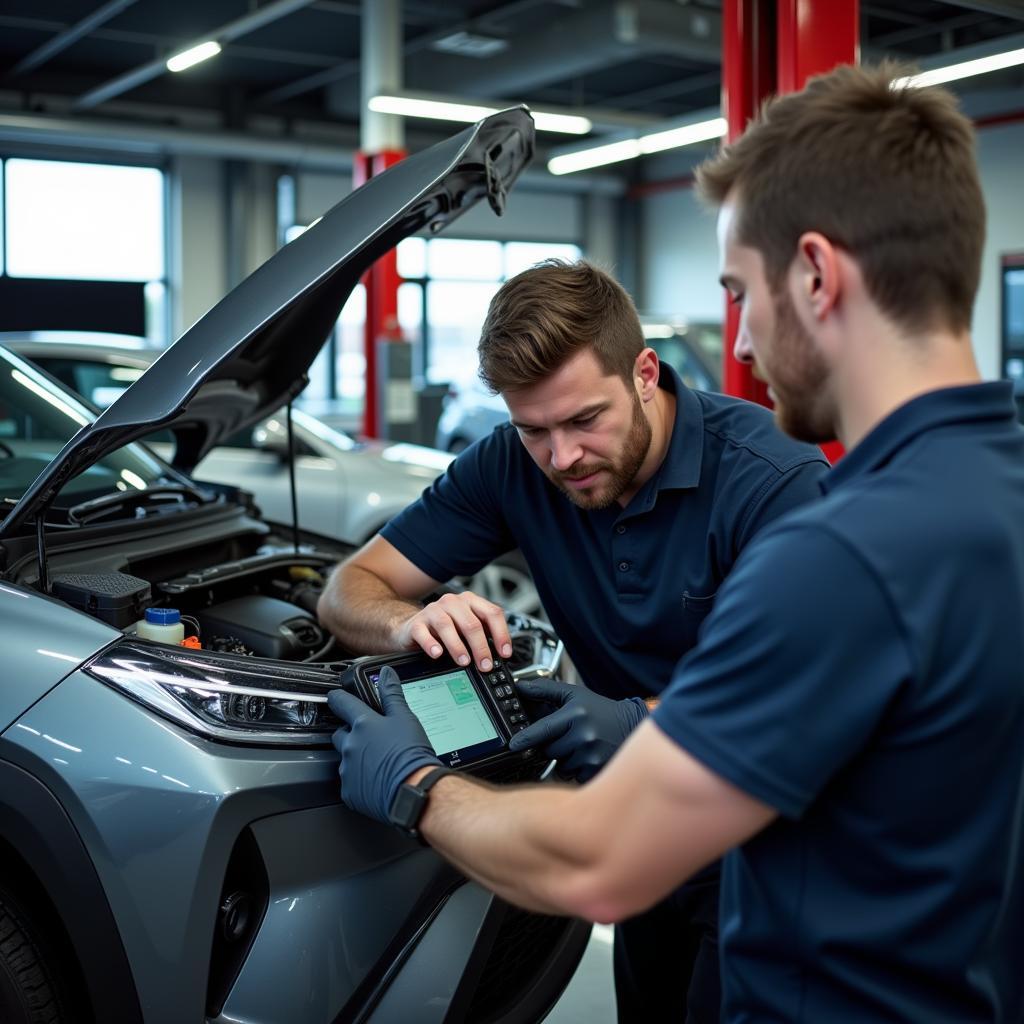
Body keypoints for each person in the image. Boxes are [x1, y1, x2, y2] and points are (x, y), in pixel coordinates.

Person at [326, 62, 1024, 1023]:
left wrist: (413, 785)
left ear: (817, 275)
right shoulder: (992, 489)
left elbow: (597, 859)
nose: (740, 346)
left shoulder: (842, 549)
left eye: (743, 292)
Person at [318, 259, 828, 1020]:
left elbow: (806, 700)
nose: (562, 458)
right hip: (643, 836)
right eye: (535, 429)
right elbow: (347, 587)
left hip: (774, 852)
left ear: (645, 373)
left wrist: (642, 722)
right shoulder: (507, 467)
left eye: (586, 419)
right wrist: (409, 618)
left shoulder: (772, 483)